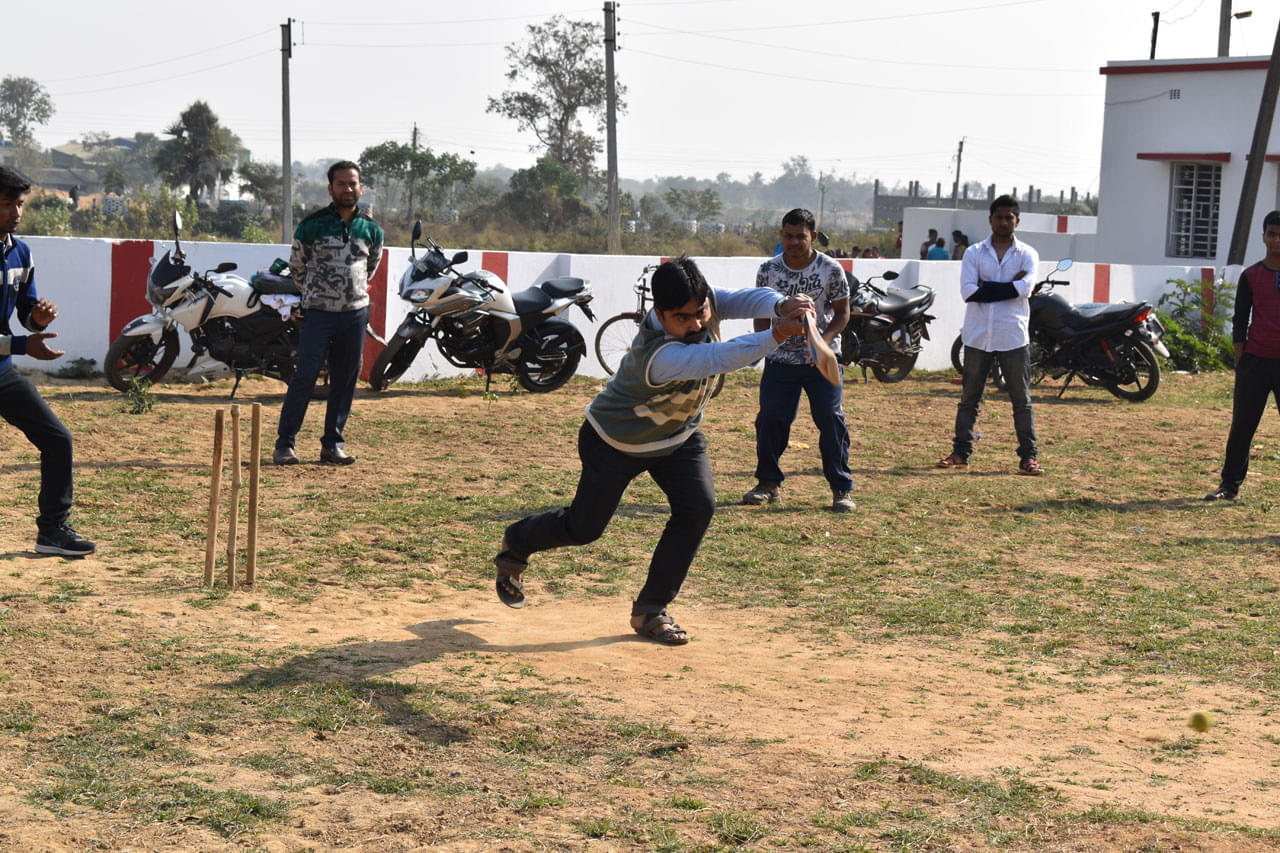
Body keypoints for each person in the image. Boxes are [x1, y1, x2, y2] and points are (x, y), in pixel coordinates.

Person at [493, 257, 813, 645]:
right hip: (614, 442)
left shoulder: (700, 305)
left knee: (698, 506)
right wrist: (776, 334)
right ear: (658, 313)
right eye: (682, 318)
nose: (696, 324)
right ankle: (518, 542)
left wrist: (781, 304)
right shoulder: (658, 355)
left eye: (701, 313)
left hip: (676, 437)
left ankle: (651, 610)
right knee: (584, 528)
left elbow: (746, 299)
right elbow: (717, 357)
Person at [0, 167, 95, 556]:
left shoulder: (20, 252)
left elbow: (24, 312)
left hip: (1, 372)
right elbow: (20, 340)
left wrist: (36, 319)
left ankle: (52, 531)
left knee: (58, 440)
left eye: (19, 204)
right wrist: (25, 346)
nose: (16, 213)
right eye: (6, 205)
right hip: (8, 359)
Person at [743, 208, 854, 512]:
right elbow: (760, 311)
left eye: (800, 237)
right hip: (780, 360)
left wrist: (823, 343)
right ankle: (768, 484)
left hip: (821, 362)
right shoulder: (768, 270)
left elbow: (843, 312)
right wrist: (763, 344)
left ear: (813, 237)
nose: (794, 242)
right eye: (788, 236)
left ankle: (841, 489)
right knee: (770, 420)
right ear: (782, 235)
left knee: (831, 420)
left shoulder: (830, 269)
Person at [273, 160, 383, 466]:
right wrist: (314, 294)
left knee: (345, 379)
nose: (348, 189)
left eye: (353, 183)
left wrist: (353, 291)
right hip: (318, 314)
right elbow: (297, 267)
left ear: (360, 187)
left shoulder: (372, 229)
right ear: (331, 188)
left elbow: (370, 266)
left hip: (355, 315)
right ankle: (285, 445)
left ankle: (332, 444)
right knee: (304, 377)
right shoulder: (312, 224)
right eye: (341, 184)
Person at [938, 194, 1044, 475]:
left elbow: (1026, 289)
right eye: (999, 217)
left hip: (1013, 336)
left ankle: (1028, 457)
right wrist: (1010, 285)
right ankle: (960, 453)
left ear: (1017, 221)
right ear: (990, 220)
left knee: (1021, 400)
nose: (1004, 222)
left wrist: (991, 287)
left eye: (1009, 217)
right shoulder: (974, 253)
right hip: (978, 335)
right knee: (969, 397)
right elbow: (969, 292)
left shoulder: (1028, 254)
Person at [1205, 210, 1280, 500]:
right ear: (1263, 237)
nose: (1276, 240)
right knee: (1242, 427)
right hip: (1255, 362)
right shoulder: (1251, 275)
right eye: (1271, 234)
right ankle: (1229, 486)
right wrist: (1241, 361)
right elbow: (1239, 321)